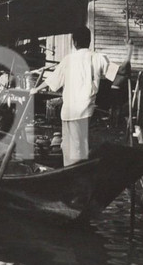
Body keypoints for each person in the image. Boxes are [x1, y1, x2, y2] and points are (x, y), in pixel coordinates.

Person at [31, 26, 127, 166]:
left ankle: (74, 173)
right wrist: (129, 53)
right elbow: (121, 71)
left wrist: (36, 89)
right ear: (89, 41)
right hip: (83, 111)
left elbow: (51, 80)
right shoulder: (98, 58)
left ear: (74, 42)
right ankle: (74, 174)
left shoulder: (68, 59)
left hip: (70, 111)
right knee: (75, 148)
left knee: (72, 149)